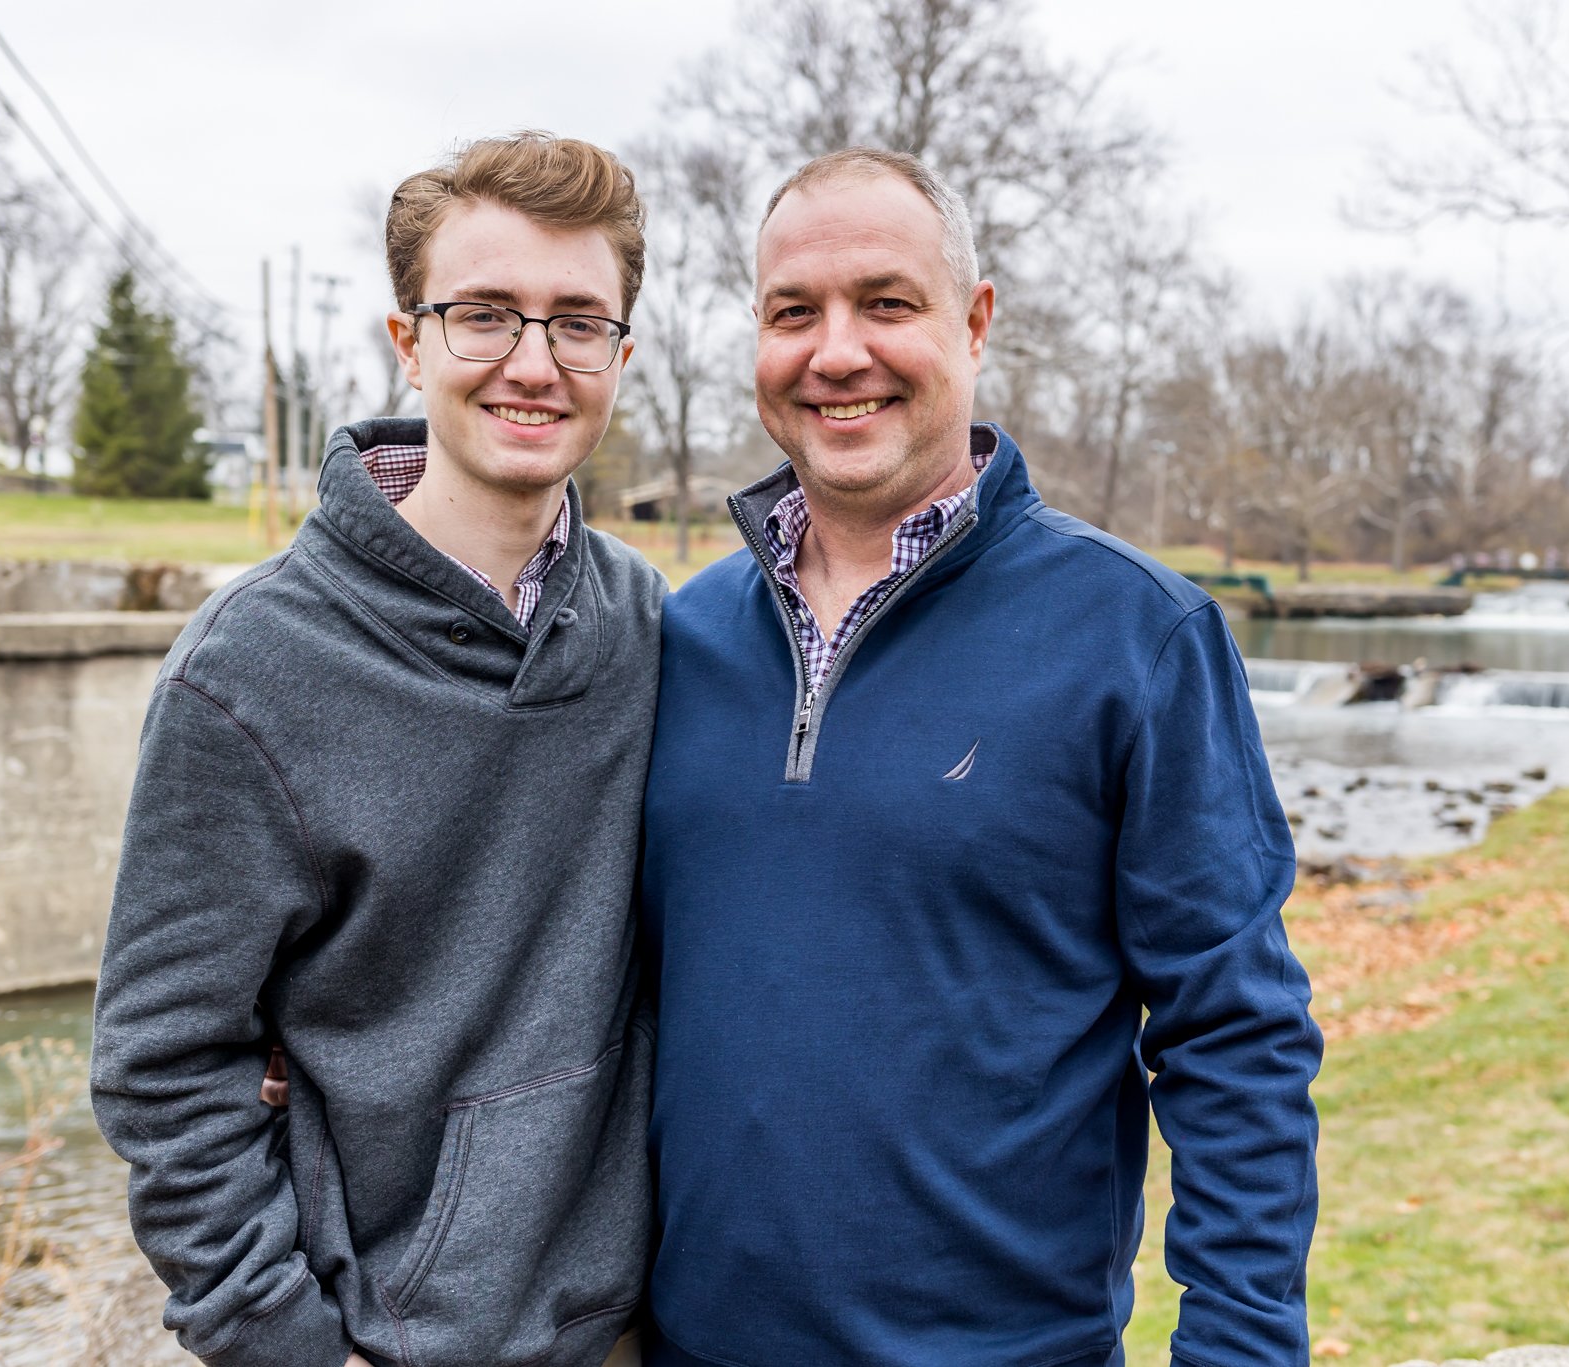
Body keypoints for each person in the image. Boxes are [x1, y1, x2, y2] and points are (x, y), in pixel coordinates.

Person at [638, 148, 1323, 1367]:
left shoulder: (1135, 635)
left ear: (975, 319)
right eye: (793, 312)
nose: (835, 350)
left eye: (886, 302)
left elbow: (1237, 1034)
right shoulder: (676, 641)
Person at [90, 132, 662, 1367]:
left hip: (635, 1325)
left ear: (622, 353)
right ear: (407, 341)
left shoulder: (650, 630)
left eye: (577, 322)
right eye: (485, 315)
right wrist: (285, 1343)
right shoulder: (246, 672)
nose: (533, 361)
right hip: (391, 1339)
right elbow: (161, 1066)